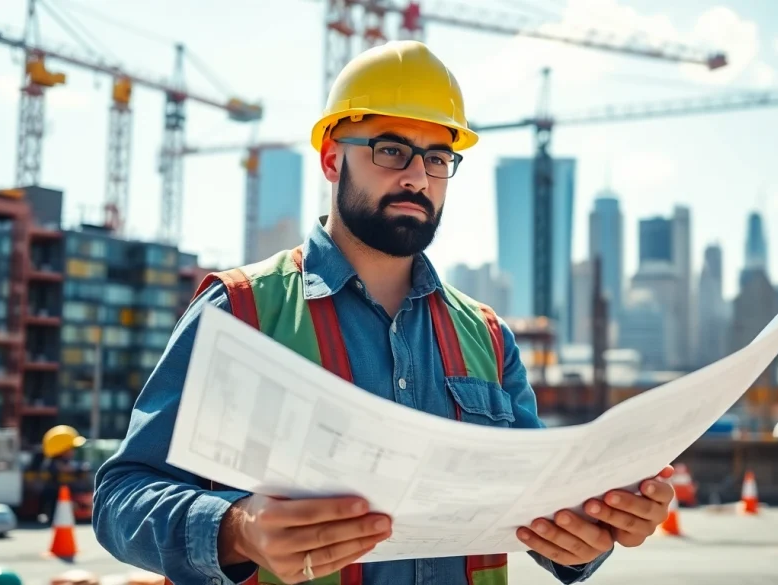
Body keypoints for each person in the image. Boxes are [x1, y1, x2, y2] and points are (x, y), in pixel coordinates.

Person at [92, 40, 675, 585]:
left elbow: (543, 516)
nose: (417, 176)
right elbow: (121, 496)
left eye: (438, 157)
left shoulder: (490, 339)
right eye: (391, 149)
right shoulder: (241, 309)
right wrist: (237, 528)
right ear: (329, 159)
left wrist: (596, 528)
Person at [38, 425, 85, 523]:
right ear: (62, 449)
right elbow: (66, 469)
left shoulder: (66, 462)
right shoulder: (52, 464)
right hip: (54, 495)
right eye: (70, 448)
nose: (73, 451)